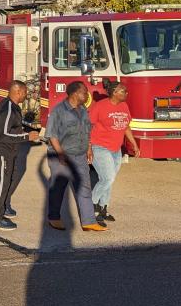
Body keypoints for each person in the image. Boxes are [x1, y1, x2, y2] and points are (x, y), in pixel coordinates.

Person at [44, 81, 107, 232]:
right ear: (75, 94)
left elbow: (86, 130)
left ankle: (88, 221)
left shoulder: (83, 109)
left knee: (84, 187)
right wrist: (60, 154)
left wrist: (89, 148)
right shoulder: (58, 111)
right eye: (84, 92)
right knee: (59, 188)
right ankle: (54, 218)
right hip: (61, 155)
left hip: (79, 155)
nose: (87, 95)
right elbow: (52, 135)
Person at [0, 81, 41, 231]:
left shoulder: (12, 105)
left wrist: (29, 130)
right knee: (2, 183)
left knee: (9, 179)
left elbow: (13, 128)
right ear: (17, 92)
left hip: (9, 150)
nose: (26, 95)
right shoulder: (8, 109)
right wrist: (26, 137)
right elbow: (2, 134)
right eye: (25, 92)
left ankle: (2, 208)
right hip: (1, 150)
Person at [89, 81, 139, 226]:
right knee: (108, 178)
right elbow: (88, 126)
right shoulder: (100, 106)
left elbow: (126, 127)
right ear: (114, 92)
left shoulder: (124, 106)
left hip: (116, 149)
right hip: (100, 147)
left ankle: (104, 208)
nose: (126, 93)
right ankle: (92, 207)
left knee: (108, 180)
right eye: (123, 91)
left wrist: (134, 145)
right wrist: (88, 147)